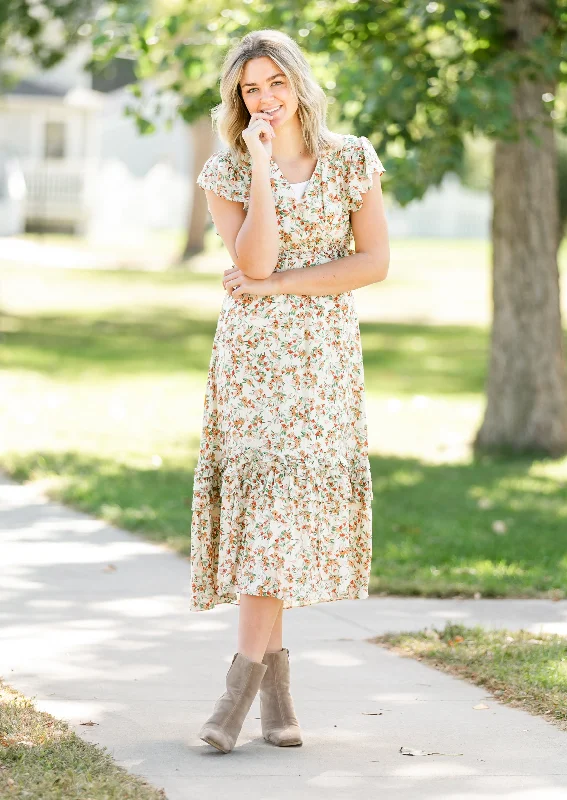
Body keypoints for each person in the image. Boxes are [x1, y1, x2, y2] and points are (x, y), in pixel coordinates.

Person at [190, 28, 390, 754]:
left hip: (322, 365)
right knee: (264, 521)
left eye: (275, 82)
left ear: (298, 83)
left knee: (284, 522)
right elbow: (254, 255)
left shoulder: (351, 160)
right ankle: (260, 691)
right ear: (238, 101)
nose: (265, 98)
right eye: (250, 89)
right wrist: (262, 166)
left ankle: (247, 688)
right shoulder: (226, 172)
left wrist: (277, 289)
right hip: (250, 365)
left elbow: (370, 264)